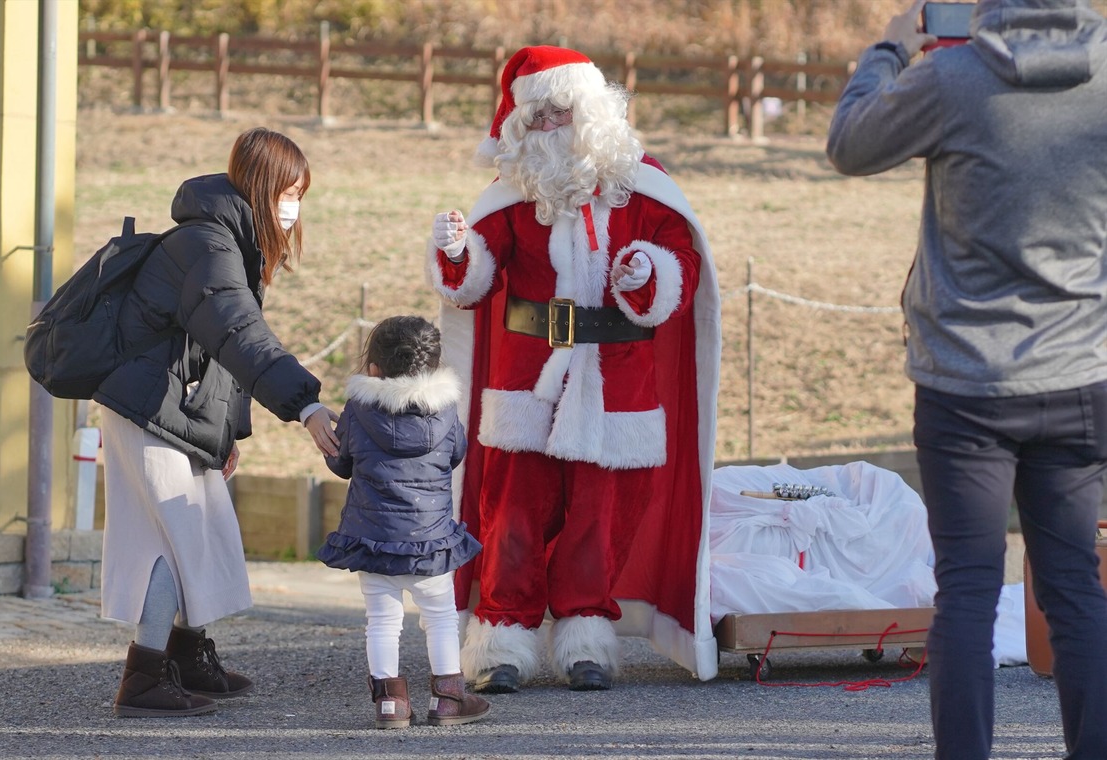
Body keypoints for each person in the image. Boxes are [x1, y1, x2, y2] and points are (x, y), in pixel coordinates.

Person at [827, 1, 1107, 757]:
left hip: (966, 387)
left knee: (969, 594)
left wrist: (888, 50)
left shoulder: (952, 77)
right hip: (1080, 373)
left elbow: (849, 145)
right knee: (1077, 589)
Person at [426, 45, 722, 693]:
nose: (550, 127)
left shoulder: (644, 187)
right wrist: (456, 252)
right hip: (524, 382)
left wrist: (647, 271)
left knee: (600, 515)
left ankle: (586, 633)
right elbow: (472, 284)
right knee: (512, 516)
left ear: (592, 111)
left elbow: (681, 264)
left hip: (617, 381)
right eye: (536, 118)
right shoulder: (510, 195)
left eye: (561, 112)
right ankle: (502, 639)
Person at [94, 127, 341, 718]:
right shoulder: (208, 245)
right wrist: (305, 406)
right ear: (259, 187)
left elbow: (219, 353)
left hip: (171, 408)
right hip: (147, 406)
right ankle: (144, 678)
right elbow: (240, 334)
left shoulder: (229, 242)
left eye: (301, 194)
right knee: (171, 537)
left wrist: (227, 435)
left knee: (202, 531)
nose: (294, 207)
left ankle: (185, 654)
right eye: (287, 192)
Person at [316, 315, 489, 729]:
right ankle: (448, 700)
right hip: (430, 541)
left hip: (374, 542)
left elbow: (342, 464)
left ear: (374, 369)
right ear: (432, 367)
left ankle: (390, 705)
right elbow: (455, 454)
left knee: (382, 621)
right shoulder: (445, 411)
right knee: (441, 617)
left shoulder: (358, 410)